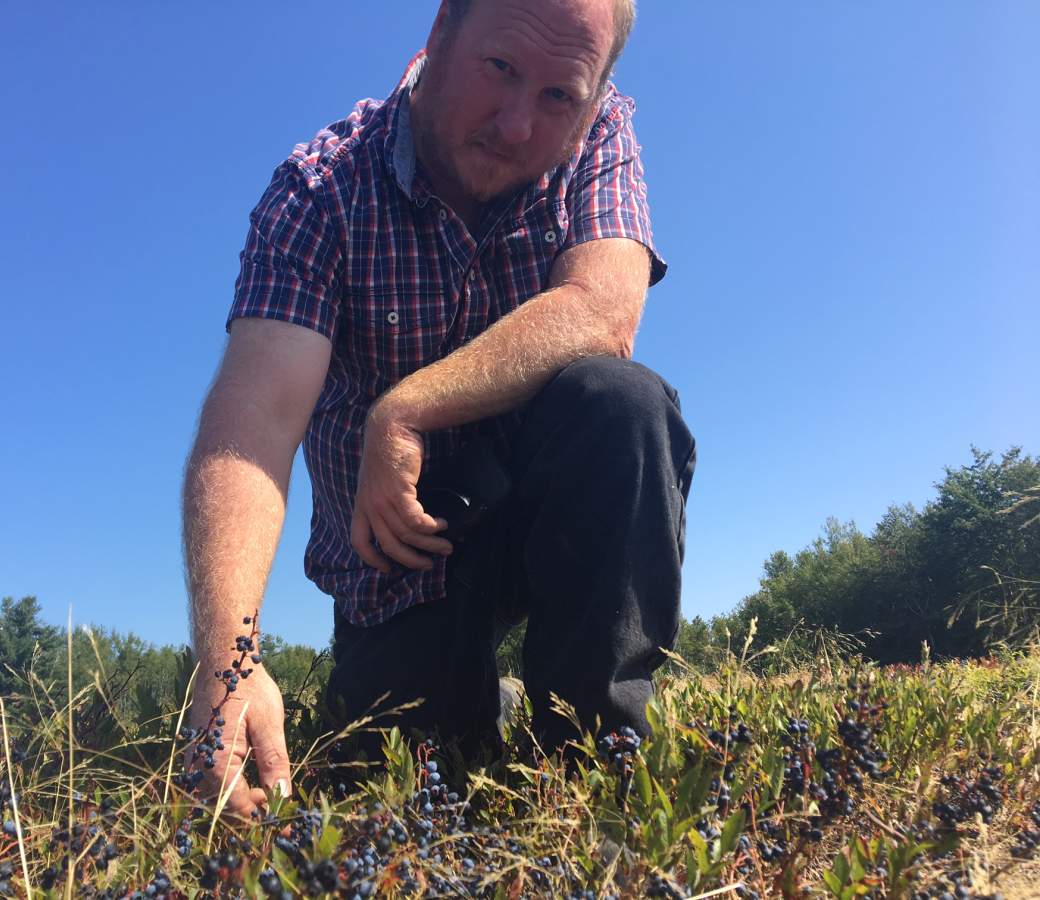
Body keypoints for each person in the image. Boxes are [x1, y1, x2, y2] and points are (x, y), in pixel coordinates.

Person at [181, 0, 696, 820]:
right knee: (410, 776)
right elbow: (255, 424)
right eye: (499, 70)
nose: (519, 124)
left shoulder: (598, 136)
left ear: (594, 98)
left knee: (620, 404)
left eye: (559, 95)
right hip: (394, 564)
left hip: (547, 510)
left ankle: (600, 779)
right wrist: (228, 658)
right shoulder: (320, 190)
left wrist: (407, 407)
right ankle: (478, 702)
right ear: (439, 38)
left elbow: (603, 311)